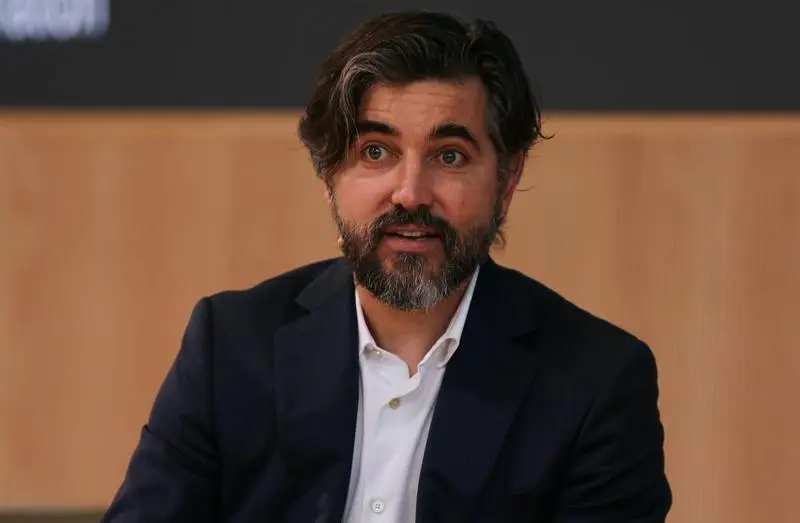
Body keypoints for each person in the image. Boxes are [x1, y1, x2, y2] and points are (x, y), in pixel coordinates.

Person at [100, 10, 671, 523]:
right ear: (329, 177)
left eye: (450, 156)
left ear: (506, 179)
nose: (410, 193)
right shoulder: (231, 348)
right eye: (376, 151)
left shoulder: (595, 382)